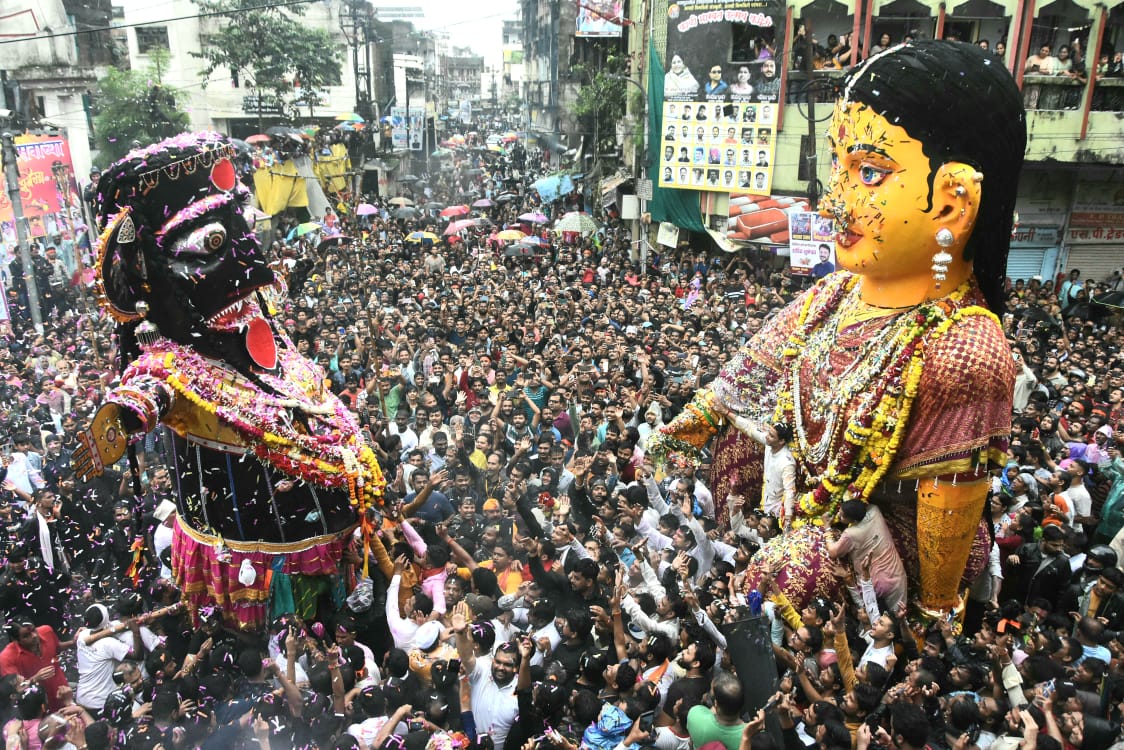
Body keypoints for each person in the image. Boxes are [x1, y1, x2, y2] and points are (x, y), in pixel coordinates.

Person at [651, 40, 1026, 618]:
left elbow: (943, 528)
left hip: (883, 551)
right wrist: (672, 436)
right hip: (803, 508)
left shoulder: (965, 346)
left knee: (791, 572)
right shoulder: (838, 293)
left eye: (869, 173)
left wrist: (931, 618)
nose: (832, 202)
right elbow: (747, 374)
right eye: (837, 167)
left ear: (954, 202)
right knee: (733, 440)